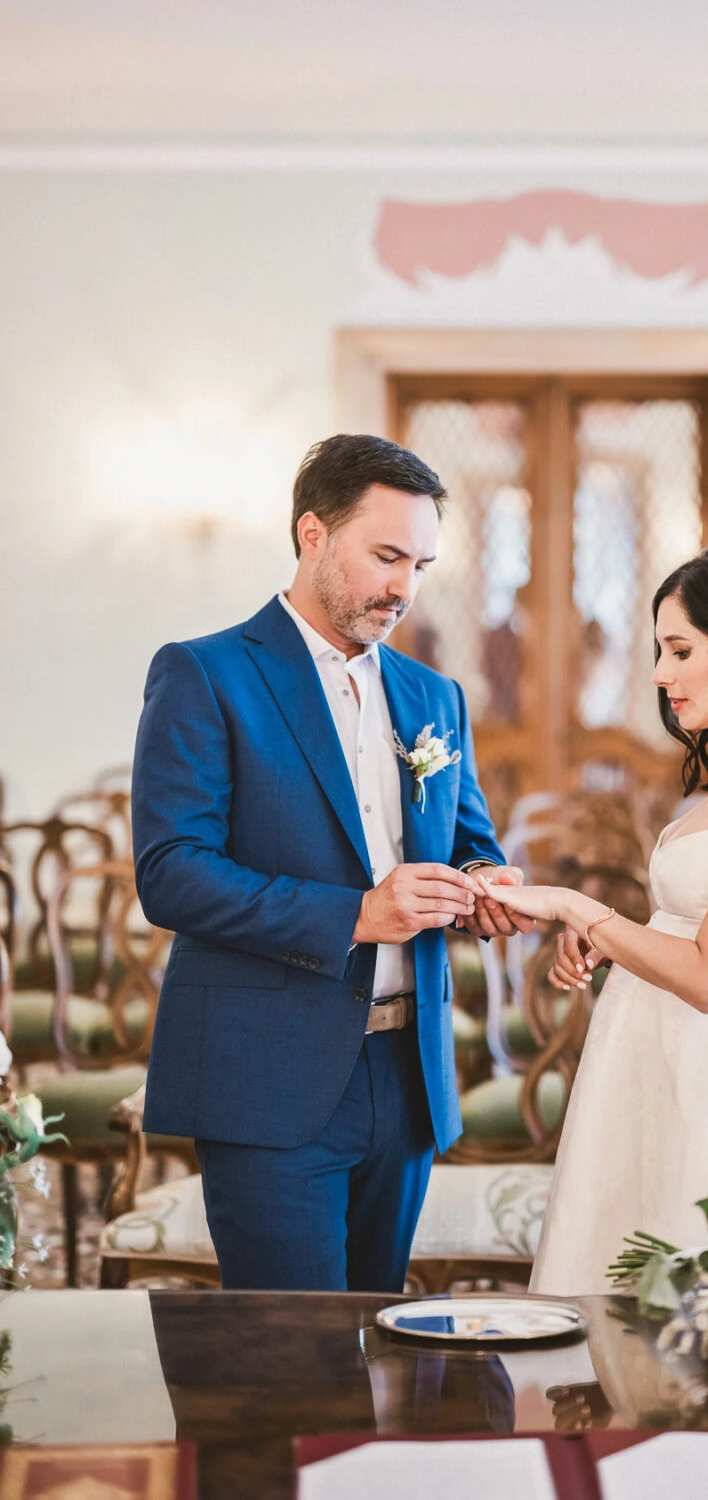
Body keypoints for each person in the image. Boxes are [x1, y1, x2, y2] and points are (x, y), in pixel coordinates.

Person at [132, 435, 529, 1292]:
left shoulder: (434, 695)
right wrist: (356, 914)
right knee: (293, 1352)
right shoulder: (205, 673)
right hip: (266, 1077)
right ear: (312, 533)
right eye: (386, 556)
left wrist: (487, 884)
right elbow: (170, 872)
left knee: (380, 1334)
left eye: (420, 564)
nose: (404, 587)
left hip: (407, 1074)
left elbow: (471, 842)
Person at [481, 545, 708, 1296]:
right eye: (659, 651)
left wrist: (574, 906)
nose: (658, 673)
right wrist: (609, 944)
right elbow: (688, 931)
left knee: (694, 1308)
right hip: (659, 1063)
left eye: (680, 650)